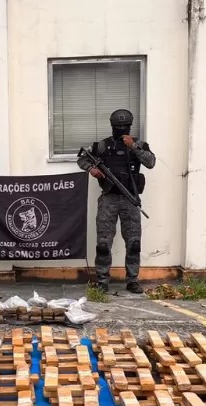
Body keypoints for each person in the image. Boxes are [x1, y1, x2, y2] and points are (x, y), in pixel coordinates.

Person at [77, 109, 156, 294]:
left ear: (130, 126)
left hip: (131, 200)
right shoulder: (103, 146)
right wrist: (91, 169)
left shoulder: (139, 144)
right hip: (109, 199)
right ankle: (103, 280)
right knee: (104, 243)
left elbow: (151, 162)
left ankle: (132, 280)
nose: (121, 129)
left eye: (125, 126)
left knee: (134, 242)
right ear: (112, 126)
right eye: (118, 126)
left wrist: (133, 147)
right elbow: (82, 159)